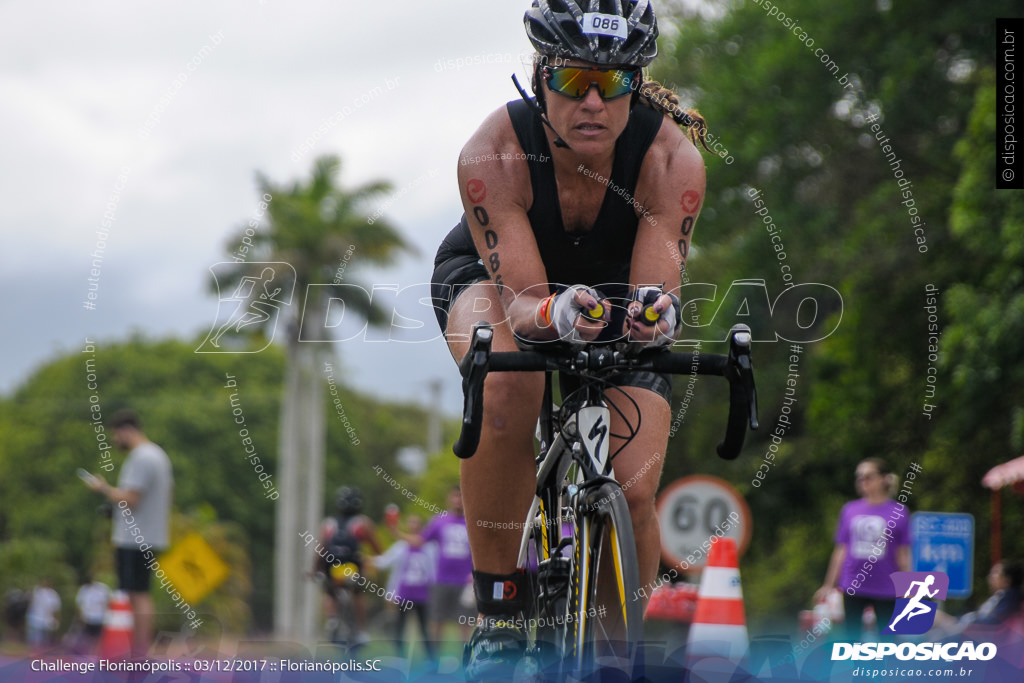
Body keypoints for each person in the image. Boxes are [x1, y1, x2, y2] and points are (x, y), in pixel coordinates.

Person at [428, 0, 710, 675]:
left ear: (635, 85)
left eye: (612, 83)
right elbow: (525, 301)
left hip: (610, 286)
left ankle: (618, 654)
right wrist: (553, 314)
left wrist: (654, 315)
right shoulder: (492, 152)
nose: (593, 101)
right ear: (541, 73)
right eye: (573, 79)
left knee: (635, 484)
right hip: (496, 281)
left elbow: (656, 291)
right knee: (508, 383)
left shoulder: (673, 160)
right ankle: (499, 613)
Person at [87, 408, 173, 655]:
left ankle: (140, 651)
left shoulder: (143, 457)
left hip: (137, 538)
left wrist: (103, 489)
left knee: (138, 595)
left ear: (127, 430)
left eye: (116, 434)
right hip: (149, 534)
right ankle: (140, 650)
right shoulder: (158, 455)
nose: (115, 440)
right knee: (138, 592)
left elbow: (131, 498)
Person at [815, 458, 911, 640]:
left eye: (868, 477)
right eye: (859, 478)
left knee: (888, 642)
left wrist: (908, 588)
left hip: (887, 586)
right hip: (853, 584)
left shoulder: (899, 512)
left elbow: (903, 554)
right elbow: (841, 550)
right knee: (851, 639)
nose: (863, 482)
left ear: (883, 479)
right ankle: (856, 670)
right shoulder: (850, 510)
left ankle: (881, 670)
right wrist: (828, 585)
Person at [314, 486, 382, 645]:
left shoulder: (328, 523)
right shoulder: (363, 522)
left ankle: (332, 618)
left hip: (331, 567)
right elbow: (377, 549)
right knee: (358, 594)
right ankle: (362, 631)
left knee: (330, 593)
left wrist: (314, 570)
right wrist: (371, 559)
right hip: (353, 567)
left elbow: (319, 550)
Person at [371, 514, 437, 661]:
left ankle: (431, 659)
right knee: (400, 627)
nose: (413, 526)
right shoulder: (401, 547)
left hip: (422, 595)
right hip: (404, 594)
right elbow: (384, 562)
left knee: (424, 628)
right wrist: (367, 560)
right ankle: (399, 657)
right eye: (411, 523)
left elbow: (436, 570)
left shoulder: (430, 548)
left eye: (416, 523)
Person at [74, 575, 110, 652]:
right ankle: (89, 653)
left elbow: (107, 603)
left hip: (99, 617)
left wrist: (106, 615)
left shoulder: (102, 589)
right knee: (88, 637)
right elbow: (79, 604)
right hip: (87, 618)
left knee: (97, 638)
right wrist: (81, 616)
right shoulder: (83, 589)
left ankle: (95, 653)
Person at [26, 578, 61, 650]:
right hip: (34, 618)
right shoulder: (36, 592)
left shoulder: (52, 594)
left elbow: (56, 608)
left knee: (44, 640)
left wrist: (56, 620)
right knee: (34, 639)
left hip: (46, 620)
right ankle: (34, 652)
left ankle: (41, 654)